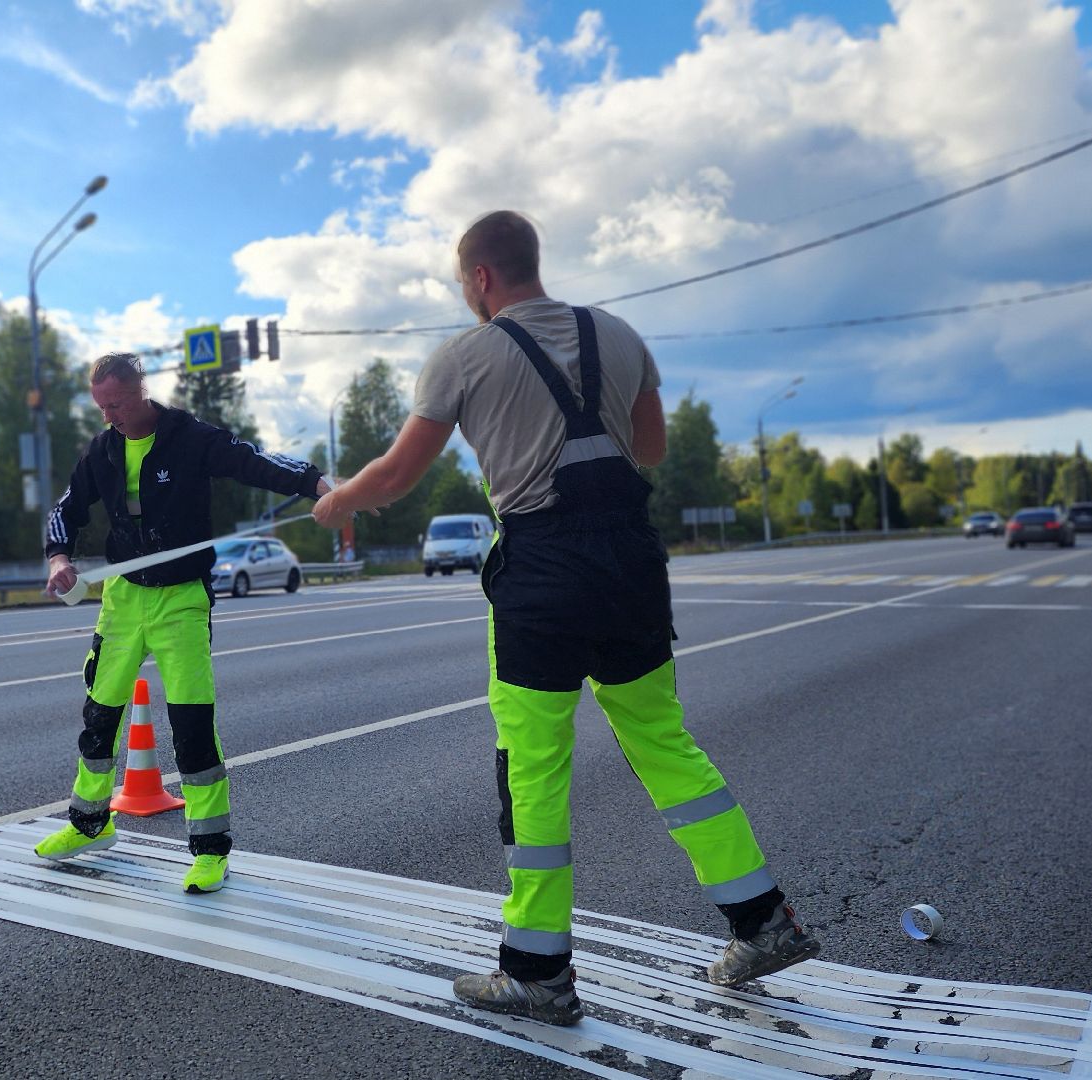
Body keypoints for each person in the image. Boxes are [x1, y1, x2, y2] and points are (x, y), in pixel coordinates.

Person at [313, 211, 819, 1025]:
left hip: (543, 574)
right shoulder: (620, 336)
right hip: (630, 566)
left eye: (461, 283)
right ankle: (763, 922)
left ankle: (537, 972)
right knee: (665, 745)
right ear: (530, 263)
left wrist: (337, 501)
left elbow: (400, 475)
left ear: (480, 278)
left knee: (534, 769)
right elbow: (649, 449)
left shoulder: (464, 356)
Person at [36, 352, 331, 894]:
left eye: (118, 403)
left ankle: (211, 851)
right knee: (99, 715)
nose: (110, 416)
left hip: (182, 601)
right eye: (101, 406)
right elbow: (65, 509)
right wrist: (59, 557)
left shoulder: (188, 436)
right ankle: (88, 825)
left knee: (193, 724)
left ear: (141, 390)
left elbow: (254, 461)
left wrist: (321, 486)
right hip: (122, 600)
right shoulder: (100, 451)